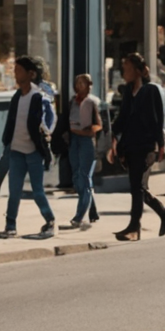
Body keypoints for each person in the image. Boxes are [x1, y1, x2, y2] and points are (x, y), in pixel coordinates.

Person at [109, 52, 165, 241]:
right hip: (131, 145)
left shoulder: (150, 90)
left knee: (137, 188)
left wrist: (159, 146)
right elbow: (123, 118)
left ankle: (134, 228)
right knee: (138, 188)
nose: (124, 73)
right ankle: (163, 213)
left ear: (137, 71)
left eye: (127, 69)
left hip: (147, 146)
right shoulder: (128, 91)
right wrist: (113, 137)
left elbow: (156, 120)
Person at [0, 55, 57, 240]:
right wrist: (7, 141)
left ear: (30, 74)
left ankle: (49, 221)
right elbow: (12, 120)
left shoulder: (38, 97)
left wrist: (45, 133)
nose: (15, 74)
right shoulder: (17, 97)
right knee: (14, 191)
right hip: (16, 151)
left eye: (18, 70)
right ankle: (10, 225)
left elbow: (50, 120)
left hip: (33, 153)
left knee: (37, 191)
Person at [66, 73, 101, 229]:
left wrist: (87, 131)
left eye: (83, 83)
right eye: (78, 83)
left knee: (84, 177)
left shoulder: (93, 102)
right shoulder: (72, 102)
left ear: (89, 85)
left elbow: (99, 124)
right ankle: (92, 210)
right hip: (74, 140)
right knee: (77, 176)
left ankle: (79, 216)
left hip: (87, 141)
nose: (80, 86)